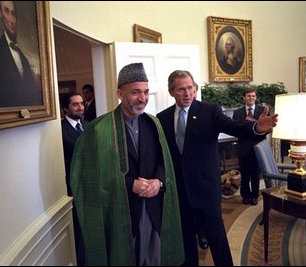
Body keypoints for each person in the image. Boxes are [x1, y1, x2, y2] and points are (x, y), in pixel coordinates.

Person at [156, 70, 278, 266]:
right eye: (181, 89)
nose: (187, 93)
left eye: (190, 88)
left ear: (195, 89)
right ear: (171, 92)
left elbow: (235, 126)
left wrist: (256, 128)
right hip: (179, 191)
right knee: (186, 239)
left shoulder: (209, 110)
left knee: (217, 238)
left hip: (207, 188)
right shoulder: (161, 118)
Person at [69, 63, 184, 266]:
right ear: (120, 93)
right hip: (119, 214)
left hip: (153, 209)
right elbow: (88, 178)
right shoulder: (98, 130)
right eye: (136, 92)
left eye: (146, 92)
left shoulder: (153, 123)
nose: (143, 98)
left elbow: (163, 161)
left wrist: (159, 181)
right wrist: (130, 183)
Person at [0, 1, 42, 107]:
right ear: (0, 13)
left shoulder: (23, 57)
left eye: (13, 14)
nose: (11, 20)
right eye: (7, 12)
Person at [60, 91, 87, 265]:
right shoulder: (59, 130)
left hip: (92, 186)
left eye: (82, 103)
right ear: (65, 109)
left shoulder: (89, 125)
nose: (80, 107)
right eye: (75, 104)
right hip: (73, 188)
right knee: (78, 230)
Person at [233, 88, 269, 206]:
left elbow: (267, 129)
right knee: (245, 174)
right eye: (249, 96)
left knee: (255, 174)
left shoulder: (262, 111)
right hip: (243, 148)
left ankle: (254, 196)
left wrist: (253, 122)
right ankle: (245, 196)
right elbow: (235, 129)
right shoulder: (237, 112)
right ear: (244, 98)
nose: (251, 98)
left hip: (258, 148)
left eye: (253, 96)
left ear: (256, 97)